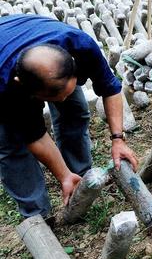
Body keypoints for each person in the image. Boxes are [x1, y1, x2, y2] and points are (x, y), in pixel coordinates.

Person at [0, 14, 138, 219]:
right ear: (25, 86)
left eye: (67, 90)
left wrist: (118, 139)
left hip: (31, 33)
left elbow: (110, 89)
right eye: (54, 96)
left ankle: (81, 177)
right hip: (5, 60)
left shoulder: (82, 47)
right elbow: (35, 136)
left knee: (75, 111)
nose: (61, 99)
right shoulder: (7, 86)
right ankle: (37, 216)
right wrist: (62, 175)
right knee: (11, 144)